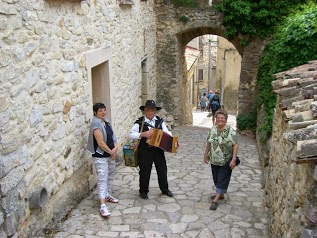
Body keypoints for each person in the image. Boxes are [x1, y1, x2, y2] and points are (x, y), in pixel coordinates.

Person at [129, 100, 174, 199]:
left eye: (152, 110)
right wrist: (142, 134)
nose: (150, 112)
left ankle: (165, 189)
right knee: (145, 171)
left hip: (158, 150)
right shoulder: (139, 122)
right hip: (145, 151)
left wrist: (169, 138)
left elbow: (167, 132)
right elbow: (131, 135)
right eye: (148, 110)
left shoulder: (159, 121)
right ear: (145, 111)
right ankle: (143, 191)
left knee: (162, 169)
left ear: (155, 111)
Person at [87, 103, 119, 217]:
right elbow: (100, 143)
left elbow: (113, 137)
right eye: (100, 110)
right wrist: (111, 152)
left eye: (104, 110)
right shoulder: (95, 124)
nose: (103, 112)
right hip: (100, 156)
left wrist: (115, 148)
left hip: (111, 155)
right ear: (95, 112)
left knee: (110, 175)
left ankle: (107, 194)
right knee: (102, 178)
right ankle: (102, 205)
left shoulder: (106, 121)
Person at [203, 110, 239, 210]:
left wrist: (234, 159)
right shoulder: (212, 129)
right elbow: (209, 143)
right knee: (216, 178)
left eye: (222, 118)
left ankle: (216, 199)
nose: (220, 119)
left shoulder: (230, 131)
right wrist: (206, 155)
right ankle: (221, 194)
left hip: (225, 160)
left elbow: (235, 145)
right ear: (215, 119)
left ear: (226, 120)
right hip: (214, 160)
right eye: (218, 118)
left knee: (222, 178)